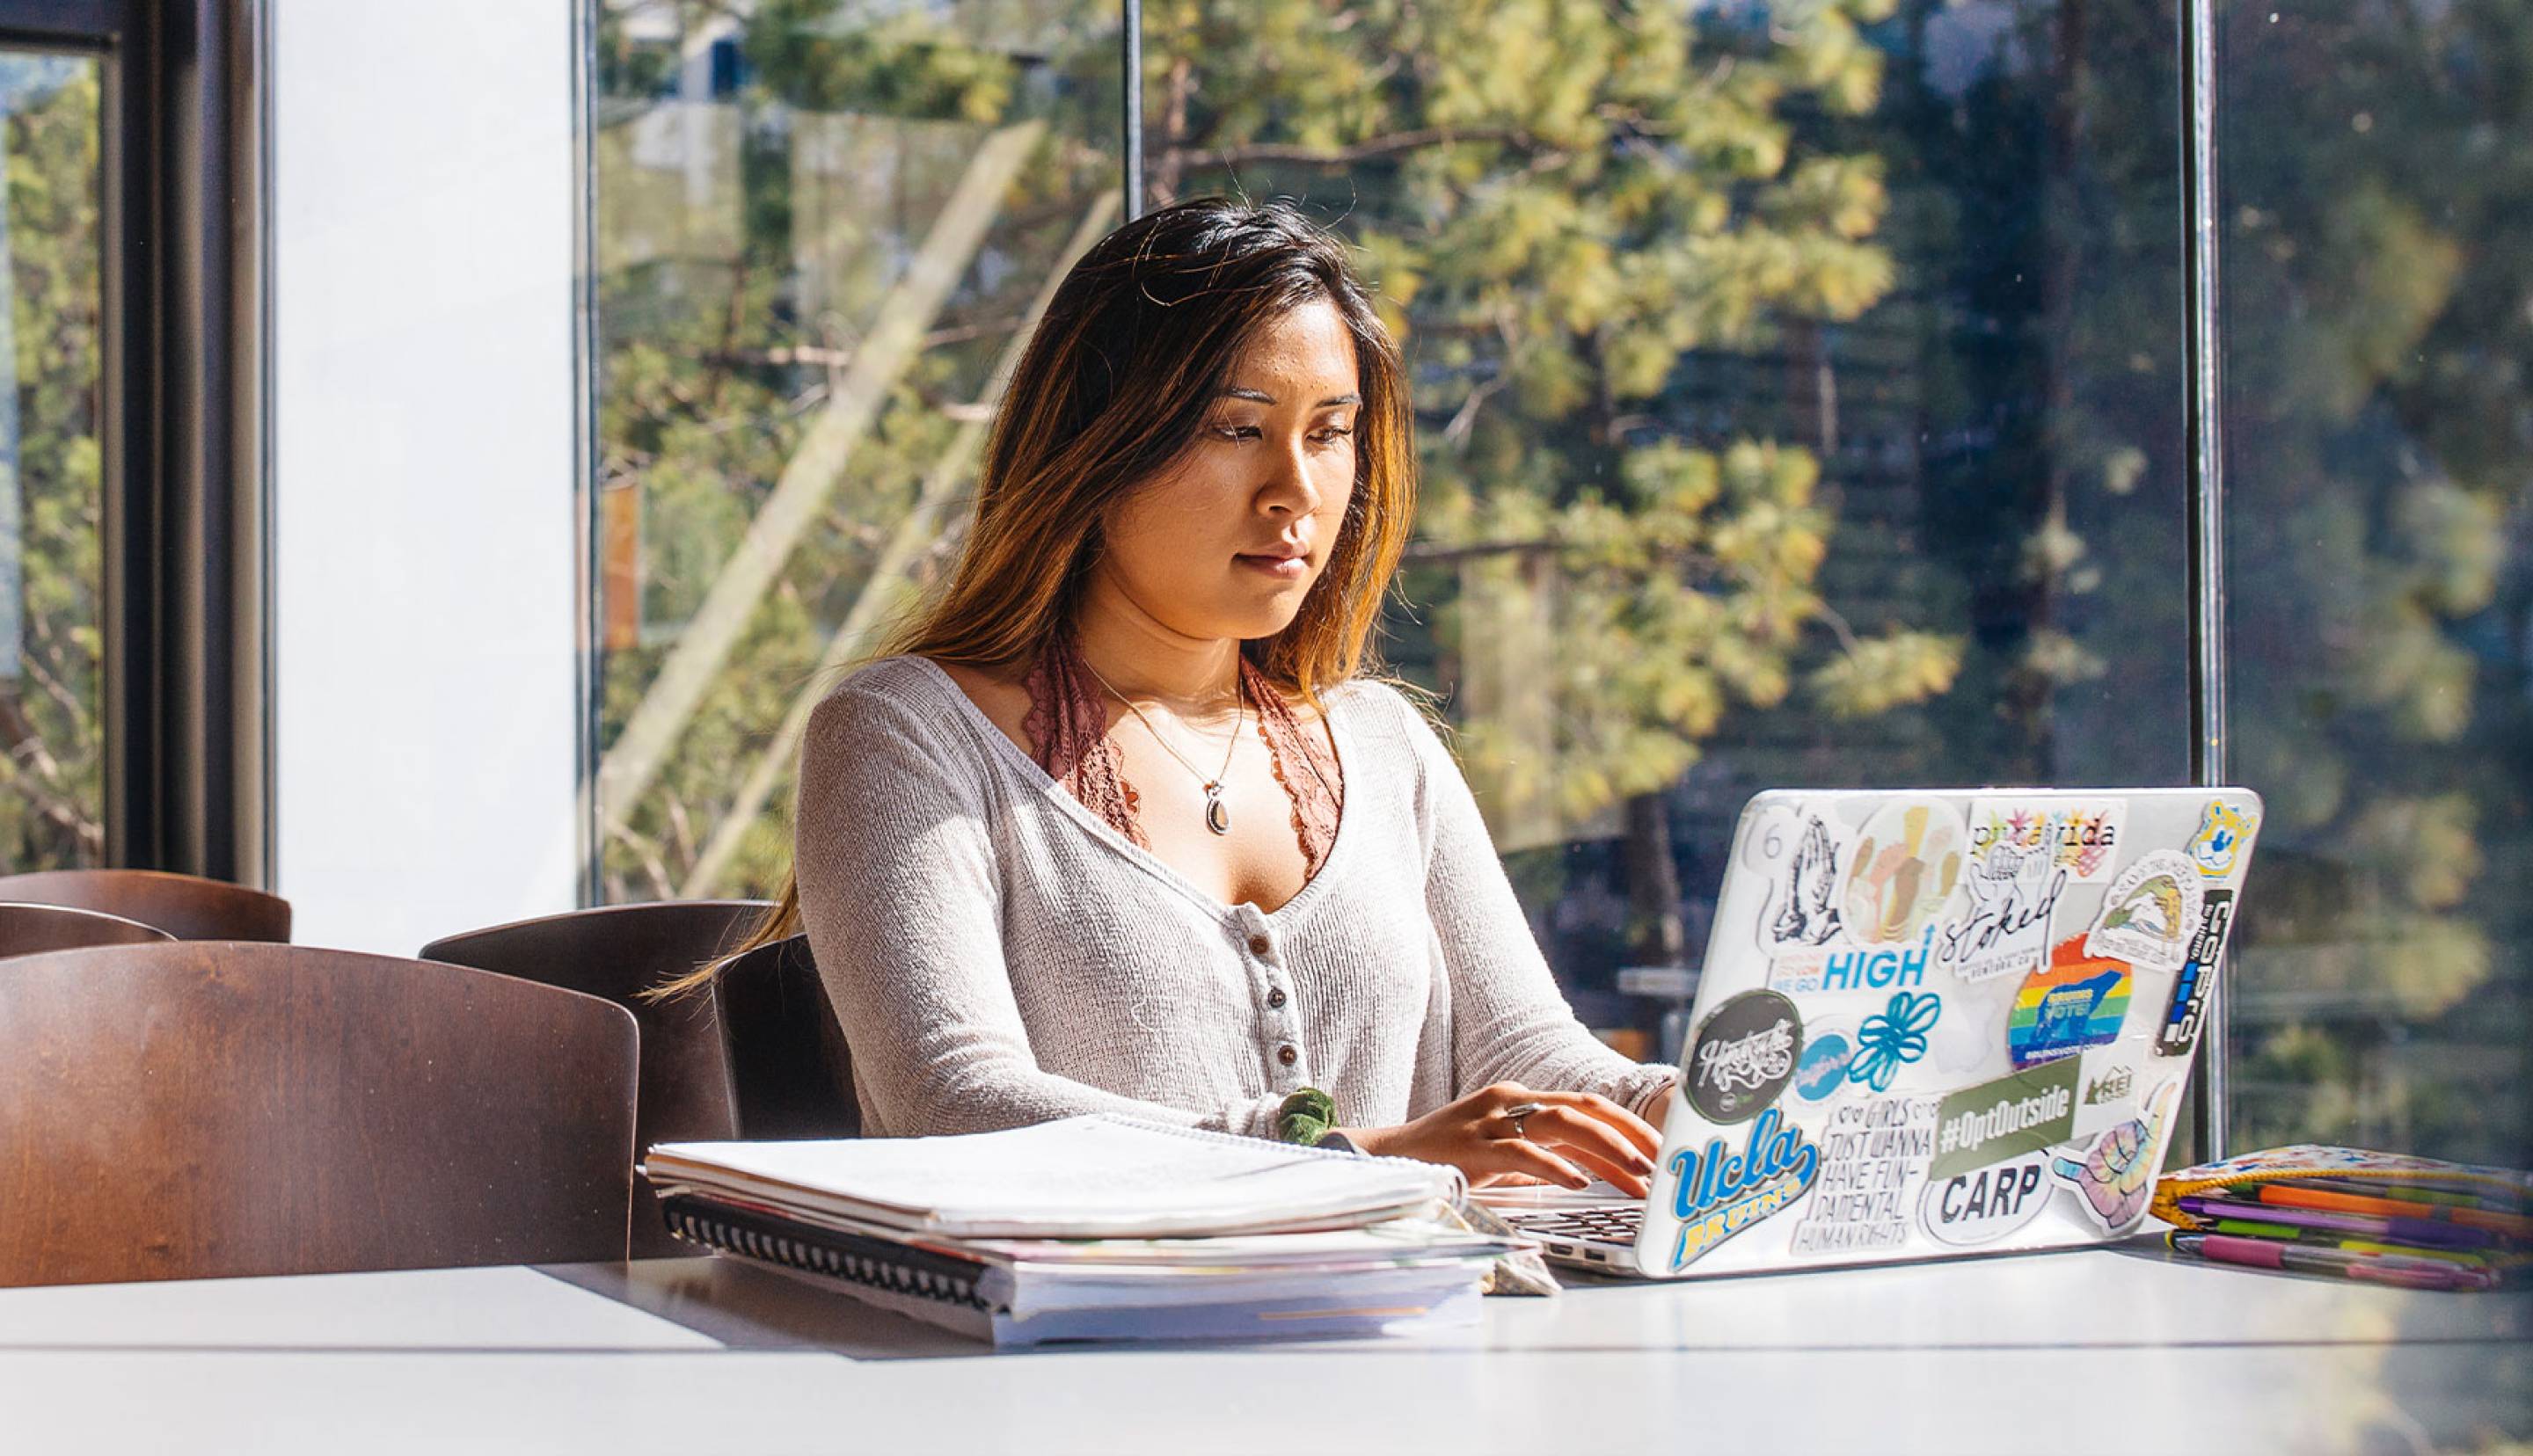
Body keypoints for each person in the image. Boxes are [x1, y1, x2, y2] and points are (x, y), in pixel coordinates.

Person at [673, 197, 1678, 1198]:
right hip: (1075, 1349)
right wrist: (1354, 1160)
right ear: (1100, 443)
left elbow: (1536, 1057)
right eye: (1238, 429)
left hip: (1406, 1338)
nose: (1295, 490)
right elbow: (958, 1104)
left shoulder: (1386, 746)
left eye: (1330, 433)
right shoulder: (906, 738)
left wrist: (1693, 1108)